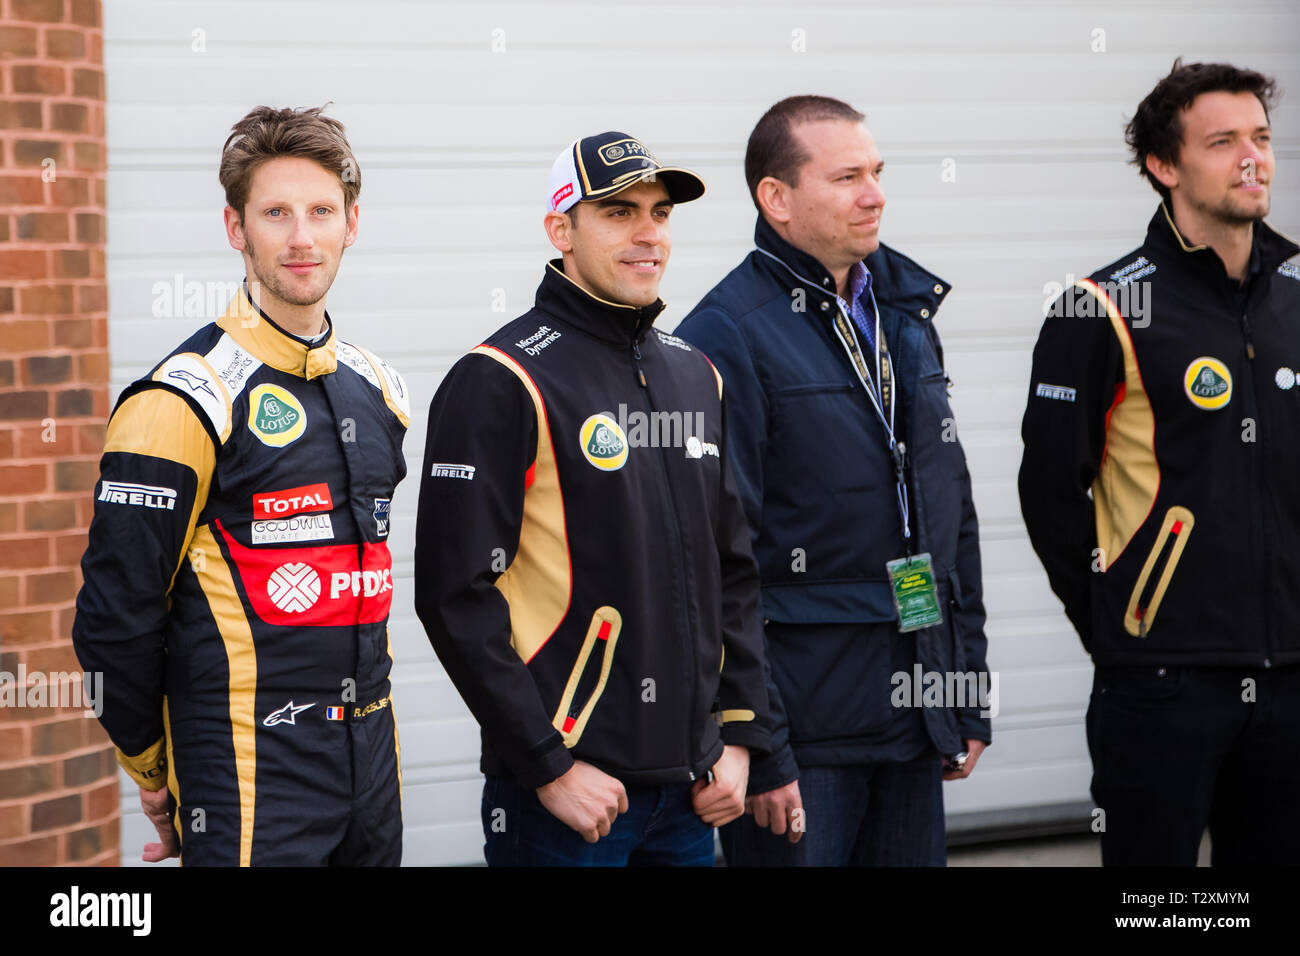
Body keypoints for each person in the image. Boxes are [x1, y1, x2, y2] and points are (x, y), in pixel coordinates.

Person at [414, 131, 771, 866]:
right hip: (571, 801)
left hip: (692, 792)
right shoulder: (500, 376)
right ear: (560, 230)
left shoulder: (695, 374)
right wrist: (546, 763)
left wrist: (739, 737)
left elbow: (731, 570)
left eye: (661, 212)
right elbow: (454, 596)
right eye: (617, 212)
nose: (648, 234)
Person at [72, 106, 410, 866]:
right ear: (236, 229)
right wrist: (154, 772)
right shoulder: (180, 401)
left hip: (373, 770)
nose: (301, 237)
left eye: (322, 211)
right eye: (275, 213)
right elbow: (111, 623)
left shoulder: (381, 390)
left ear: (352, 223)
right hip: (248, 775)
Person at [675, 96, 992, 867]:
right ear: (776, 199)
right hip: (807, 734)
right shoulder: (727, 333)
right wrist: (760, 743)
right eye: (847, 176)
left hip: (916, 708)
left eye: (877, 172)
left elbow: (952, 514)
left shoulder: (904, 311)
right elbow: (715, 561)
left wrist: (962, 688)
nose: (875, 194)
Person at [1019, 60, 1300, 866]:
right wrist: (1121, 625)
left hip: (1293, 683)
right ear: (1164, 166)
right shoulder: (1101, 307)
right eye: (1223, 142)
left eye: (1262, 137)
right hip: (1163, 684)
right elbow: (1049, 495)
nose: (1253, 158)